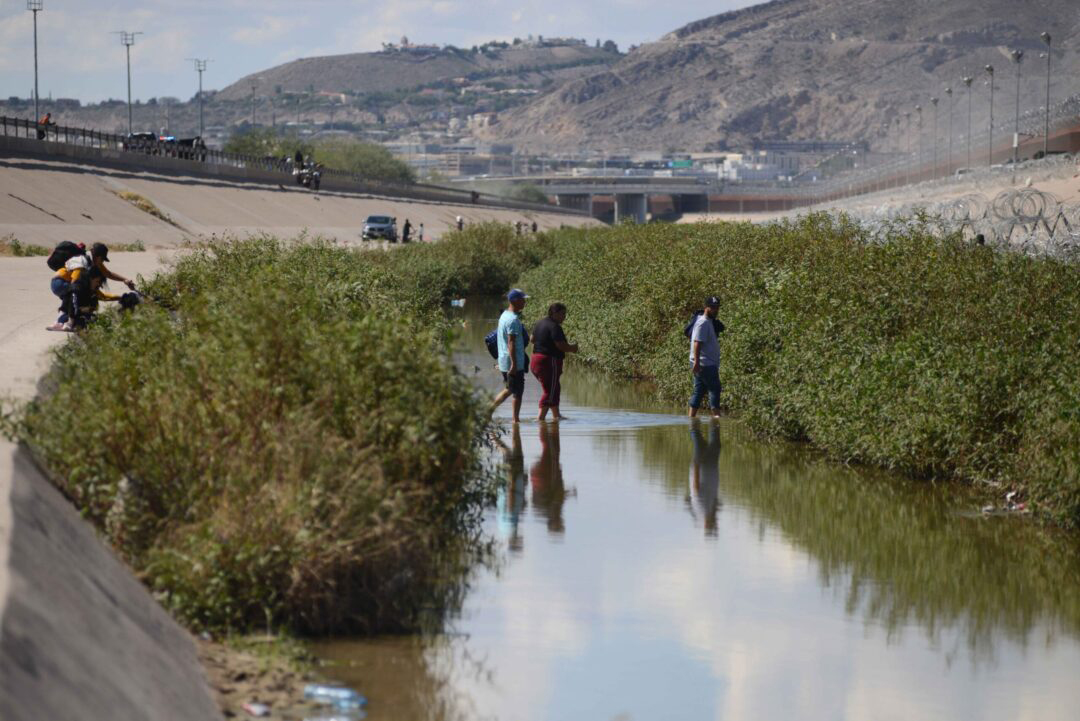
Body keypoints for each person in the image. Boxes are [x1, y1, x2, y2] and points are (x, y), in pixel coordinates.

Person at [530, 302, 578, 421]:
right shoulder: (554, 326)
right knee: (550, 391)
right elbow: (561, 346)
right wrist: (573, 348)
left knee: (554, 387)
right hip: (548, 361)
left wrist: (544, 343)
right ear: (554, 313)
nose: (564, 316)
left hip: (535, 360)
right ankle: (540, 419)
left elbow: (532, 339)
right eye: (562, 314)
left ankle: (556, 415)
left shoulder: (540, 322)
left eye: (565, 314)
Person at [490, 288, 528, 423]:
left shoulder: (505, 315)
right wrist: (514, 364)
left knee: (511, 389)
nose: (525, 302)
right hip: (513, 362)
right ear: (515, 301)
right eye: (523, 299)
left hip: (505, 360)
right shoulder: (512, 320)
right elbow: (511, 342)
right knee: (516, 391)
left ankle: (492, 411)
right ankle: (515, 420)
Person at [689, 295, 723, 419]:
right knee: (715, 389)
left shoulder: (708, 322)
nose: (715, 310)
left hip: (703, 363)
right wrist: (697, 362)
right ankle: (717, 419)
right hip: (705, 363)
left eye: (717, 307)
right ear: (706, 307)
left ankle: (691, 419)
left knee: (699, 391)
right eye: (712, 307)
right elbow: (697, 342)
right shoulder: (703, 322)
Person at [687, 421, 722, 537]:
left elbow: (696, 489)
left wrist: (696, 466)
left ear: (707, 525)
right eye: (716, 525)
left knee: (714, 443)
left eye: (714, 525)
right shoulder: (707, 513)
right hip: (708, 467)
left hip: (704, 466)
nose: (716, 523)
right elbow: (713, 500)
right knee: (706, 443)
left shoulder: (702, 511)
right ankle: (696, 423)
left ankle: (710, 422)